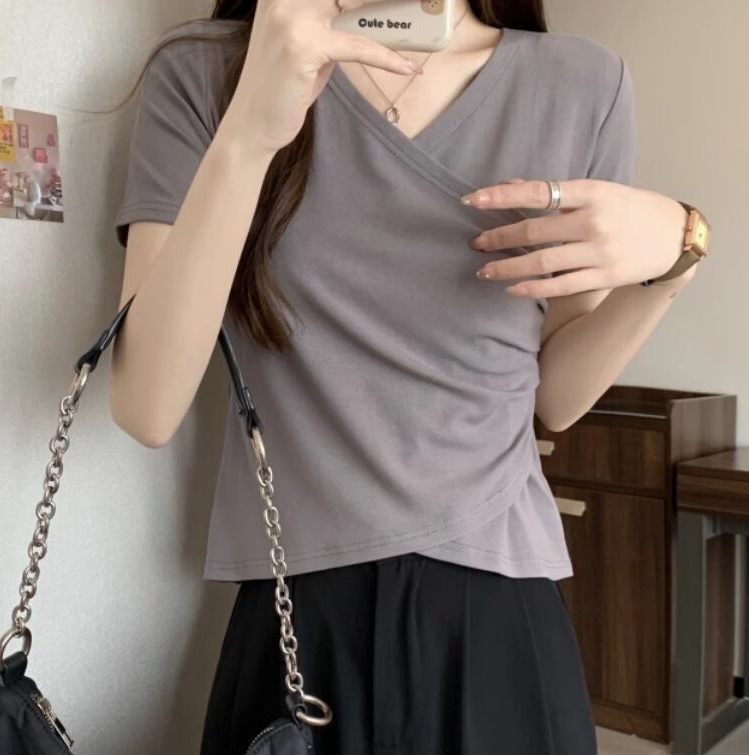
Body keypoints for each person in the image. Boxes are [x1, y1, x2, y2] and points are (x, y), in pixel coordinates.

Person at [110, 1, 699, 752]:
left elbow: (555, 397)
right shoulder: (209, 69)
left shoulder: (582, 83)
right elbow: (147, 404)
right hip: (299, 611)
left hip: (499, 603)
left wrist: (676, 259)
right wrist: (250, 133)